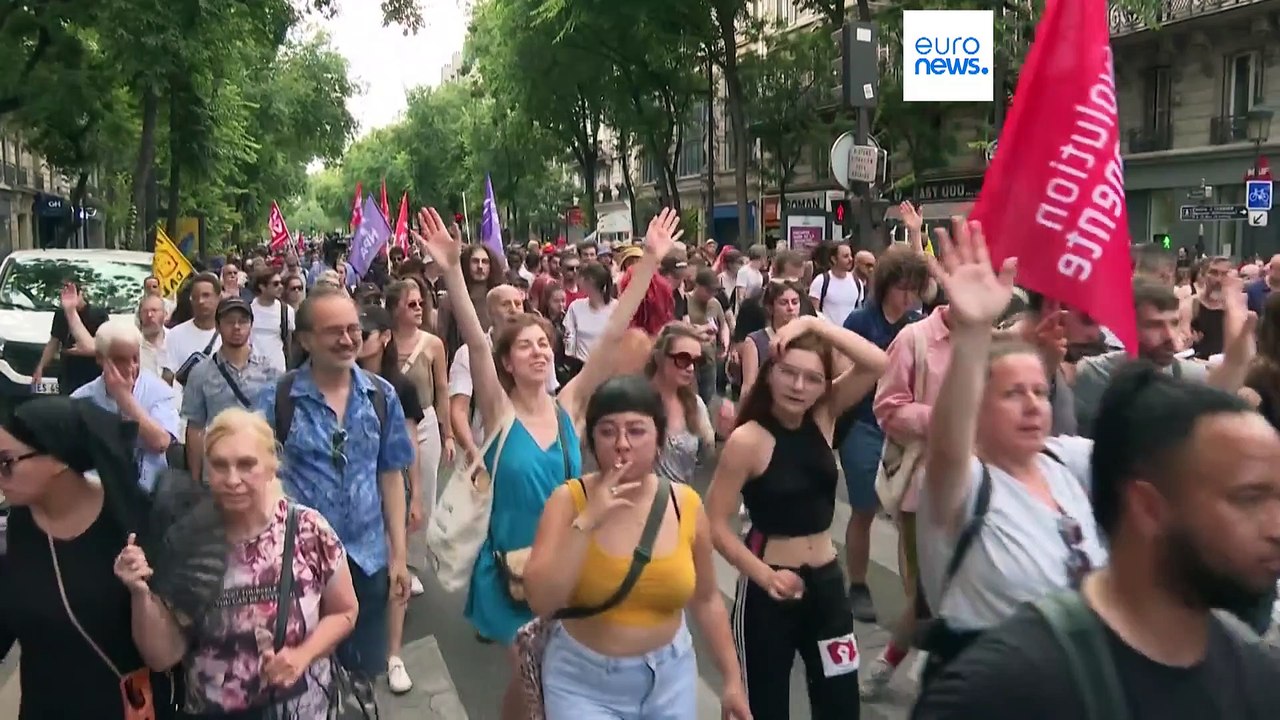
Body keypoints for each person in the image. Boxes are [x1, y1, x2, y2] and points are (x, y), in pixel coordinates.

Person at [416, 205, 679, 717]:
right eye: (525, 347)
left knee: (539, 684)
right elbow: (475, 343)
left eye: (544, 344)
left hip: (567, 564)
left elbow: (611, 336)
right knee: (535, 678)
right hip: (509, 576)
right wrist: (450, 270)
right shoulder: (499, 413)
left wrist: (648, 260)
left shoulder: (569, 409)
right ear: (507, 362)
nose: (538, 352)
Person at [913, 363, 1280, 718]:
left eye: (1040, 392)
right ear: (1148, 507)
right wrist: (972, 339)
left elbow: (1167, 445)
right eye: (1249, 499)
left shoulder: (1257, 675)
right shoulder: (995, 691)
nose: (1276, 527)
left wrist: (1234, 363)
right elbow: (947, 451)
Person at [524, 377, 749, 719]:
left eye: (636, 431)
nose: (622, 444)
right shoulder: (568, 501)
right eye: (607, 432)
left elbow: (706, 599)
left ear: (659, 440)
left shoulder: (685, 504)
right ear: (592, 442)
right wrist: (588, 522)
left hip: (670, 677)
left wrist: (732, 679)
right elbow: (541, 600)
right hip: (583, 682)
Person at [112, 408, 359, 718]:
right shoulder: (185, 539)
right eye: (220, 465)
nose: (232, 479)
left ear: (271, 467)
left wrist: (302, 656)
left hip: (302, 710)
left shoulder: (308, 530)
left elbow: (345, 611)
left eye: (246, 464)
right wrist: (140, 593)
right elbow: (162, 657)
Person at [706, 312, 889, 720]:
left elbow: (877, 362)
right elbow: (714, 523)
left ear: (824, 385)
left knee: (841, 704)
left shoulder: (823, 416)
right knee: (763, 707)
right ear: (770, 373)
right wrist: (763, 576)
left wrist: (813, 325)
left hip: (827, 587)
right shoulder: (747, 440)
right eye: (788, 373)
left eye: (812, 378)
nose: (798, 386)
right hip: (768, 590)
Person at [257, 285, 415, 702]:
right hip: (299, 567)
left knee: (361, 680)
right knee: (305, 681)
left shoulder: (381, 395)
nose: (347, 339)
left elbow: (391, 476)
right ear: (306, 340)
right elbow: (255, 478)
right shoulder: (278, 399)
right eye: (334, 331)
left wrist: (399, 557)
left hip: (366, 561)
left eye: (353, 329)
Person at [0, 397, 179, 719]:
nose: (1, 474)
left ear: (58, 461)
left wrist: (140, 594)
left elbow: (165, 655)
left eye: (6, 462)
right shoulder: (17, 525)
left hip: (125, 708)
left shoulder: (134, 520)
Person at [354, 304, 428, 693]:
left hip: (389, 487)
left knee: (395, 565)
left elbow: (409, 445)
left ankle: (394, 654)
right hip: (351, 498)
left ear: (384, 338)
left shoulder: (397, 388)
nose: (354, 340)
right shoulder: (335, 382)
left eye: (362, 333)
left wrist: (415, 495)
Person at [71, 319, 180, 493]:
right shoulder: (81, 399)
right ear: (100, 358)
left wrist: (124, 398)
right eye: (121, 360)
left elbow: (161, 442)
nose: (131, 367)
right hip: (98, 492)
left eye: (136, 358)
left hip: (147, 493)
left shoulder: (159, 391)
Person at [180, 297, 280, 482]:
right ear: (218, 327)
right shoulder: (201, 372)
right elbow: (195, 428)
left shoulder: (270, 371)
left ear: (251, 326)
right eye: (229, 321)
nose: (236, 327)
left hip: (259, 468)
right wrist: (195, 480)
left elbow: (279, 425)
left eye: (243, 321)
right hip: (218, 469)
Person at [35, 280, 109, 396]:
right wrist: (41, 367)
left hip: (91, 371)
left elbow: (105, 346)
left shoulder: (98, 314)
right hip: (68, 371)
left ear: (80, 294)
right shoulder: (61, 314)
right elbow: (54, 341)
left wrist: (85, 350)